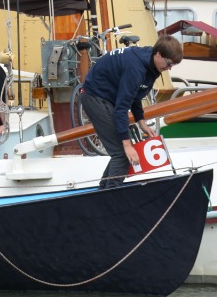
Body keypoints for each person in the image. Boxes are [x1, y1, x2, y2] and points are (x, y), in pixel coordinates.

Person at [79, 36, 184, 187]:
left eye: (173, 65)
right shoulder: (136, 68)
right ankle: (109, 196)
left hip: (107, 98)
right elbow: (121, 108)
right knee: (122, 155)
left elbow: (135, 93)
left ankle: (103, 191)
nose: (170, 68)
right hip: (95, 97)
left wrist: (141, 122)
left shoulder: (151, 62)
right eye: (169, 63)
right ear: (158, 54)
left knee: (121, 154)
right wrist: (127, 145)